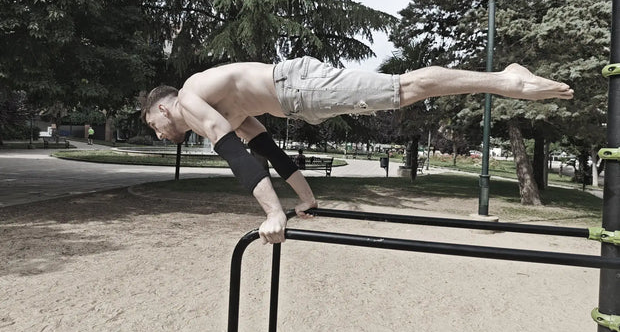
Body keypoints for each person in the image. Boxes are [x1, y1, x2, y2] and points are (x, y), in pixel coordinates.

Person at [141, 56, 573, 244]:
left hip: (300, 87)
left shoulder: (189, 98)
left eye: (153, 125)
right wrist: (305, 196)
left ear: (162, 108)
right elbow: (266, 149)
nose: (159, 133)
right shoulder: (222, 106)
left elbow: (231, 149)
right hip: (300, 99)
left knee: (404, 87)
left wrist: (273, 214)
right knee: (404, 90)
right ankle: (501, 79)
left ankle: (504, 79)